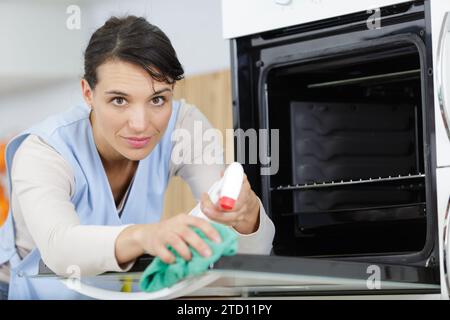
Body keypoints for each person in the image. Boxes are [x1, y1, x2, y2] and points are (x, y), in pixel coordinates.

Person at [0, 16, 275, 300]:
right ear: (88, 93)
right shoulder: (43, 151)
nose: (141, 124)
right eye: (119, 100)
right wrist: (147, 236)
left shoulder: (183, 127)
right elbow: (60, 248)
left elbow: (229, 233)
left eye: (158, 99)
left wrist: (246, 214)